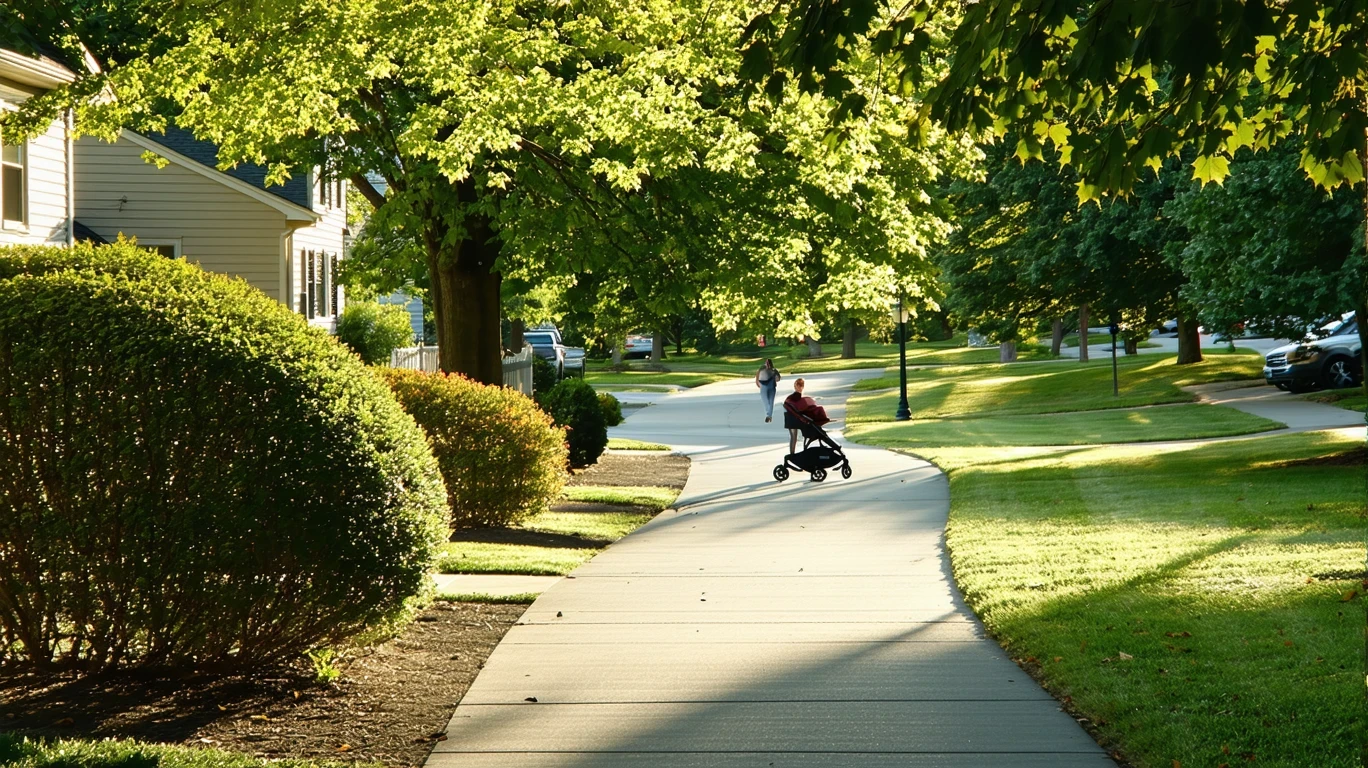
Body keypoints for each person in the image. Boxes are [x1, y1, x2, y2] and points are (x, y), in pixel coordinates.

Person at [782, 378, 829, 454]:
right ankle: (792, 454)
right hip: (793, 418)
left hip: (793, 417)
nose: (800, 387)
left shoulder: (793, 398)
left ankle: (792, 453)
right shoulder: (794, 398)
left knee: (794, 437)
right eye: (799, 385)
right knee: (794, 437)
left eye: (801, 385)